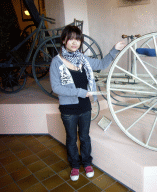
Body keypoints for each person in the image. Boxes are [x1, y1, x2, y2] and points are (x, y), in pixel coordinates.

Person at [50, 25, 125, 181]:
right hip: (68, 109)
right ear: (64, 40)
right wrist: (79, 92)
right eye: (70, 38)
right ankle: (75, 166)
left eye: (77, 39)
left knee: (84, 137)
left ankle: (87, 162)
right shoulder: (56, 62)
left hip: (85, 106)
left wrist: (114, 49)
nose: (74, 42)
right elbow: (56, 87)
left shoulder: (84, 60)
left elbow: (103, 64)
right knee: (71, 138)